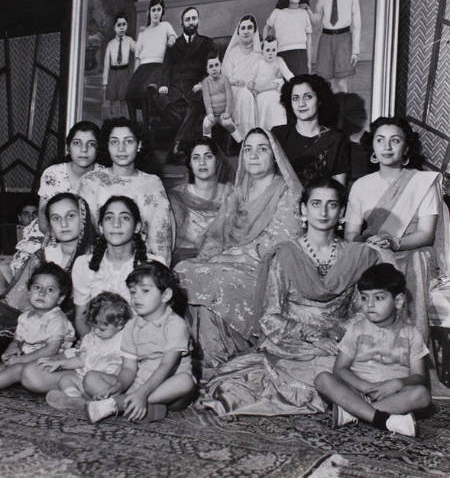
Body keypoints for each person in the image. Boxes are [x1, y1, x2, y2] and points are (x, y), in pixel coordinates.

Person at [199, 177, 379, 417]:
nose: (323, 212)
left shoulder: (357, 256)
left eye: (332, 205)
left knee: (368, 372)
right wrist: (313, 337)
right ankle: (348, 403)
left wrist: (335, 334)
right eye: (315, 204)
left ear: (342, 212)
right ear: (303, 209)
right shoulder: (285, 255)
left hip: (340, 342)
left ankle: (349, 402)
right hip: (293, 343)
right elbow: (270, 316)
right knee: (239, 388)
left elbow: (362, 311)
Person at [175, 128, 302, 369]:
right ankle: (190, 357)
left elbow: (283, 240)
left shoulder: (287, 192)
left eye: (262, 149)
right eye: (248, 150)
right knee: (182, 271)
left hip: (263, 269)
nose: (254, 155)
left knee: (218, 279)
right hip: (227, 262)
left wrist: (234, 255)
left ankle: (223, 356)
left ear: (274, 155)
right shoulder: (237, 192)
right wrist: (211, 256)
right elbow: (216, 233)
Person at [345, 117, 448, 340]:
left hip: (413, 251)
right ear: (372, 145)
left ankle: (409, 347)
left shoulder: (422, 182)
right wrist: (370, 243)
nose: (387, 147)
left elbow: (426, 234)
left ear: (406, 147)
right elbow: (351, 236)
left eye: (395, 140)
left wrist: (395, 242)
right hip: (373, 252)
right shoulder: (361, 186)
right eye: (380, 140)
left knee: (415, 261)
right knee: (367, 260)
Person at [315, 263, 430, 438]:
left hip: (392, 395)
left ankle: (353, 412)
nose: (369, 305)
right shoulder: (356, 329)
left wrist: (397, 383)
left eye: (379, 298)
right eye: (364, 298)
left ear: (398, 301)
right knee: (322, 379)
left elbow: (419, 377)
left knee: (422, 395)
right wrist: (365, 386)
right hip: (357, 390)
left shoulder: (412, 334)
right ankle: (382, 419)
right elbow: (339, 369)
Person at [87, 261, 196, 424]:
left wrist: (142, 393)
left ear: (165, 295)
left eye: (145, 291)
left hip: (168, 387)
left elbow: (167, 366)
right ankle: (145, 408)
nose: (136, 296)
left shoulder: (175, 324)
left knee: (186, 381)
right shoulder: (131, 325)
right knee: (90, 378)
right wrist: (119, 385)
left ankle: (121, 403)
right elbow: (128, 368)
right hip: (139, 383)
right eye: (132, 292)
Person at [0, 193, 93, 353]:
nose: (64, 224)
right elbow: (17, 300)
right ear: (49, 224)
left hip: (78, 332)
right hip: (35, 324)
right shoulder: (42, 256)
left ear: (83, 218)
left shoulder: (97, 259)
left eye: (70, 215)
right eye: (56, 218)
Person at [10, 121, 100, 276]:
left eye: (91, 144)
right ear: (68, 147)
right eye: (77, 143)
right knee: (27, 268)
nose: (84, 150)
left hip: (90, 238)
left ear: (98, 149)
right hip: (51, 234)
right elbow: (44, 220)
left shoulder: (103, 177)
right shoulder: (53, 173)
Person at [79, 117, 172, 265]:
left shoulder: (151, 183)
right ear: (107, 145)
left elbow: (160, 238)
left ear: (139, 145)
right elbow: (82, 235)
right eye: (114, 142)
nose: (121, 149)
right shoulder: (91, 181)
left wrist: (155, 272)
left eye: (128, 141)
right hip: (97, 262)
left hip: (140, 262)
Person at [39, 292, 133, 410]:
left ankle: (104, 403)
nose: (96, 331)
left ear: (120, 325)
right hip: (86, 380)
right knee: (66, 379)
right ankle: (77, 400)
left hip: (109, 383)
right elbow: (82, 360)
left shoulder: (124, 339)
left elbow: (129, 367)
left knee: (91, 377)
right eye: (93, 326)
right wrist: (60, 363)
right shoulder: (91, 338)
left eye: (102, 329)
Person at [71, 196, 147, 338]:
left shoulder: (152, 266)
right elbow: (81, 318)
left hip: (140, 346)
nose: (116, 224)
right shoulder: (84, 265)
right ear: (100, 227)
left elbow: (159, 321)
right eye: (109, 218)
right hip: (97, 344)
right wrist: (96, 348)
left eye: (124, 218)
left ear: (137, 226)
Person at [0, 262, 75, 392]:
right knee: (3, 366)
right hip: (28, 358)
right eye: (37, 287)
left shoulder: (57, 319)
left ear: (60, 299)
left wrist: (21, 360)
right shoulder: (25, 317)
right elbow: (17, 340)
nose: (42, 293)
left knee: (16, 369)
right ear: (28, 292)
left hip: (50, 363)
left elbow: (51, 350)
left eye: (50, 290)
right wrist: (9, 352)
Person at [158, 6, 216, 163]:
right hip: (175, 91)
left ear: (198, 21)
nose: (191, 22)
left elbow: (213, 67)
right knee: (161, 100)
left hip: (195, 89)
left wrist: (203, 83)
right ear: (182, 23)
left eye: (194, 18)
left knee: (197, 104)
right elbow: (166, 68)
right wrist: (163, 84)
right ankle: (186, 143)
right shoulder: (173, 45)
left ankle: (178, 145)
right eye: (187, 19)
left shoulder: (207, 43)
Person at [272, 74, 349, 185]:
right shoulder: (278, 134)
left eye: (308, 97)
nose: (301, 104)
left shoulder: (335, 139)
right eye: (295, 98)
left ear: (319, 100)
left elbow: (338, 188)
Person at [169, 137, 233, 265]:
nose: (202, 162)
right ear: (190, 163)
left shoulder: (231, 194)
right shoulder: (175, 197)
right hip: (182, 260)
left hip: (222, 260)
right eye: (196, 157)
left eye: (208, 156)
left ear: (217, 161)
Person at [304, 0, 361, 93]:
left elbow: (357, 23)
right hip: (326, 40)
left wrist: (355, 50)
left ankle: (342, 109)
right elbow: (317, 20)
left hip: (344, 39)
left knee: (341, 82)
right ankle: (328, 110)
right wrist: (307, 10)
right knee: (325, 81)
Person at [125, 0, 176, 125]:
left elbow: (172, 36)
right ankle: (133, 125)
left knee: (144, 92)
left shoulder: (165, 26)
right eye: (154, 10)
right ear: (149, 12)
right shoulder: (143, 33)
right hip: (142, 67)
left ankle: (146, 126)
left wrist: (171, 40)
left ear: (162, 11)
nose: (156, 13)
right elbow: (138, 56)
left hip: (158, 66)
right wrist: (135, 75)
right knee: (129, 92)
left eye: (159, 9)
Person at [263, 0, 312, 75]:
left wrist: (309, 62)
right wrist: (266, 46)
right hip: (282, 55)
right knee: (286, 87)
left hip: (301, 55)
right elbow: (266, 28)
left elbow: (309, 39)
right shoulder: (277, 12)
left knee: (300, 85)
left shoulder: (303, 13)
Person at [222, 14, 262, 139]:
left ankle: (267, 138)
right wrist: (238, 82)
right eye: (243, 28)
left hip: (256, 88)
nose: (246, 31)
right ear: (238, 31)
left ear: (255, 31)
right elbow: (225, 77)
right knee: (245, 95)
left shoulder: (260, 53)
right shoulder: (232, 53)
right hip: (235, 88)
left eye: (249, 27)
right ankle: (247, 138)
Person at [248, 36, 293, 131]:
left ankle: (278, 128)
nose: (271, 53)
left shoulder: (279, 61)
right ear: (262, 51)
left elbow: (289, 75)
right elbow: (251, 78)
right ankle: (264, 129)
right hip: (261, 93)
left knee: (278, 86)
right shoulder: (258, 62)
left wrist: (296, 82)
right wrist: (251, 83)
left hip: (274, 91)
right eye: (268, 50)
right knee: (265, 102)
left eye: (274, 50)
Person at [201, 52, 242, 143]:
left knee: (229, 124)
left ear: (220, 66)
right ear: (207, 69)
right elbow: (206, 99)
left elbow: (229, 97)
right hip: (213, 115)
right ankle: (207, 143)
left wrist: (227, 112)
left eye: (216, 65)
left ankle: (240, 142)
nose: (214, 68)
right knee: (206, 124)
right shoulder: (205, 82)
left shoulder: (225, 79)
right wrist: (210, 113)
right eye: (211, 66)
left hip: (223, 114)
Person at [102, 12, 136, 119]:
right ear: (114, 27)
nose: (122, 28)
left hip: (124, 72)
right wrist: (105, 82)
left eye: (124, 24)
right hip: (113, 72)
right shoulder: (111, 44)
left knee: (123, 98)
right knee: (112, 98)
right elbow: (106, 63)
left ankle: (122, 119)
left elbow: (139, 50)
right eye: (119, 25)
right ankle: (112, 119)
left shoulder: (129, 41)